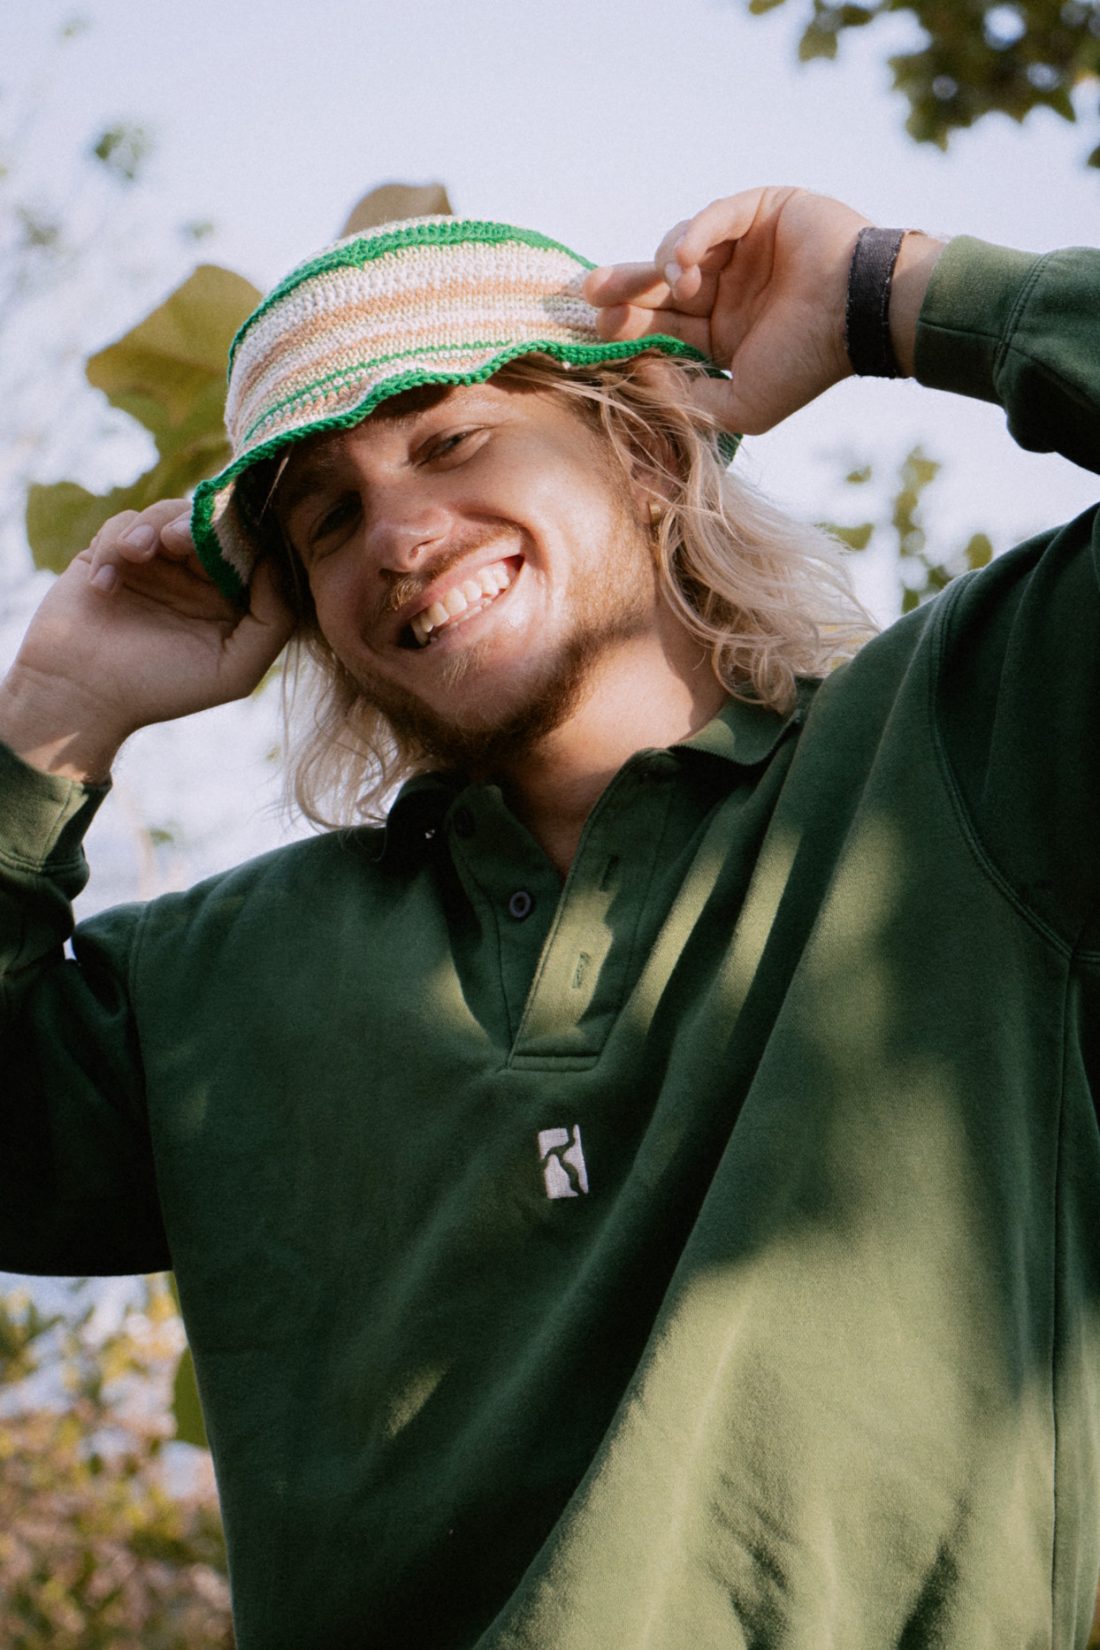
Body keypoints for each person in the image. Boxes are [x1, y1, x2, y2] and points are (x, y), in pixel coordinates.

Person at [0, 185, 1097, 1649]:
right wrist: (49, 729)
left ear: (642, 450)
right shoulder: (212, 981)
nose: (396, 532)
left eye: (451, 441)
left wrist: (886, 292)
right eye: (329, 519)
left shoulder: (960, 741)